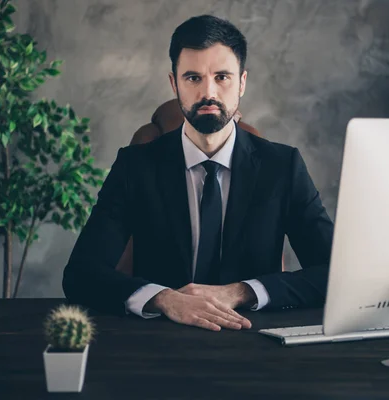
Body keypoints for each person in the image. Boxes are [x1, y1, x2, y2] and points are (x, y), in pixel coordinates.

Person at [62, 14, 334, 332]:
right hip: (159, 340)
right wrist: (163, 299)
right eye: (193, 78)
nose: (209, 93)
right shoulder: (135, 167)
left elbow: (334, 273)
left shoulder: (283, 167)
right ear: (174, 83)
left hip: (254, 341)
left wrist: (243, 291)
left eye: (222, 77)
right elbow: (81, 274)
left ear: (242, 82)